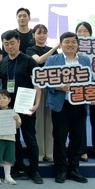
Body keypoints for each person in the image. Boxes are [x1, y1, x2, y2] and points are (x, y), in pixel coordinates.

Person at [0, 29, 43, 184]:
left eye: (12, 43)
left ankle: (34, 170)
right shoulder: (2, 63)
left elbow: (37, 85)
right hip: (8, 109)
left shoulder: (29, 61)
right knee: (13, 139)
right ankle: (19, 168)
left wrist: (36, 104)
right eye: (6, 44)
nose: (9, 46)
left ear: (19, 43)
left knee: (30, 138)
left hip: (26, 106)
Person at [45, 31, 92, 184]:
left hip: (79, 105)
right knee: (59, 138)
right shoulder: (53, 60)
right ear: (61, 44)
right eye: (67, 42)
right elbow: (44, 81)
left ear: (77, 44)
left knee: (77, 138)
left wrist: (91, 96)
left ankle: (74, 169)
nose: (70, 44)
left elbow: (90, 81)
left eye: (73, 42)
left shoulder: (84, 61)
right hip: (61, 105)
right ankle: (61, 170)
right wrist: (58, 87)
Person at [26, 23, 59, 162]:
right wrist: (55, 48)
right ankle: (39, 153)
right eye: (39, 33)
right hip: (37, 87)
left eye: (44, 33)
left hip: (52, 87)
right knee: (38, 120)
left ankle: (49, 152)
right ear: (33, 35)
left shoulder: (52, 50)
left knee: (50, 120)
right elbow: (39, 60)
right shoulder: (30, 49)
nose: (42, 36)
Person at [76, 21, 95, 162]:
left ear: (90, 33)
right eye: (79, 31)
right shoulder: (73, 49)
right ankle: (82, 151)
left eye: (85, 31)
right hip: (79, 86)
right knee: (80, 118)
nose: (82, 34)